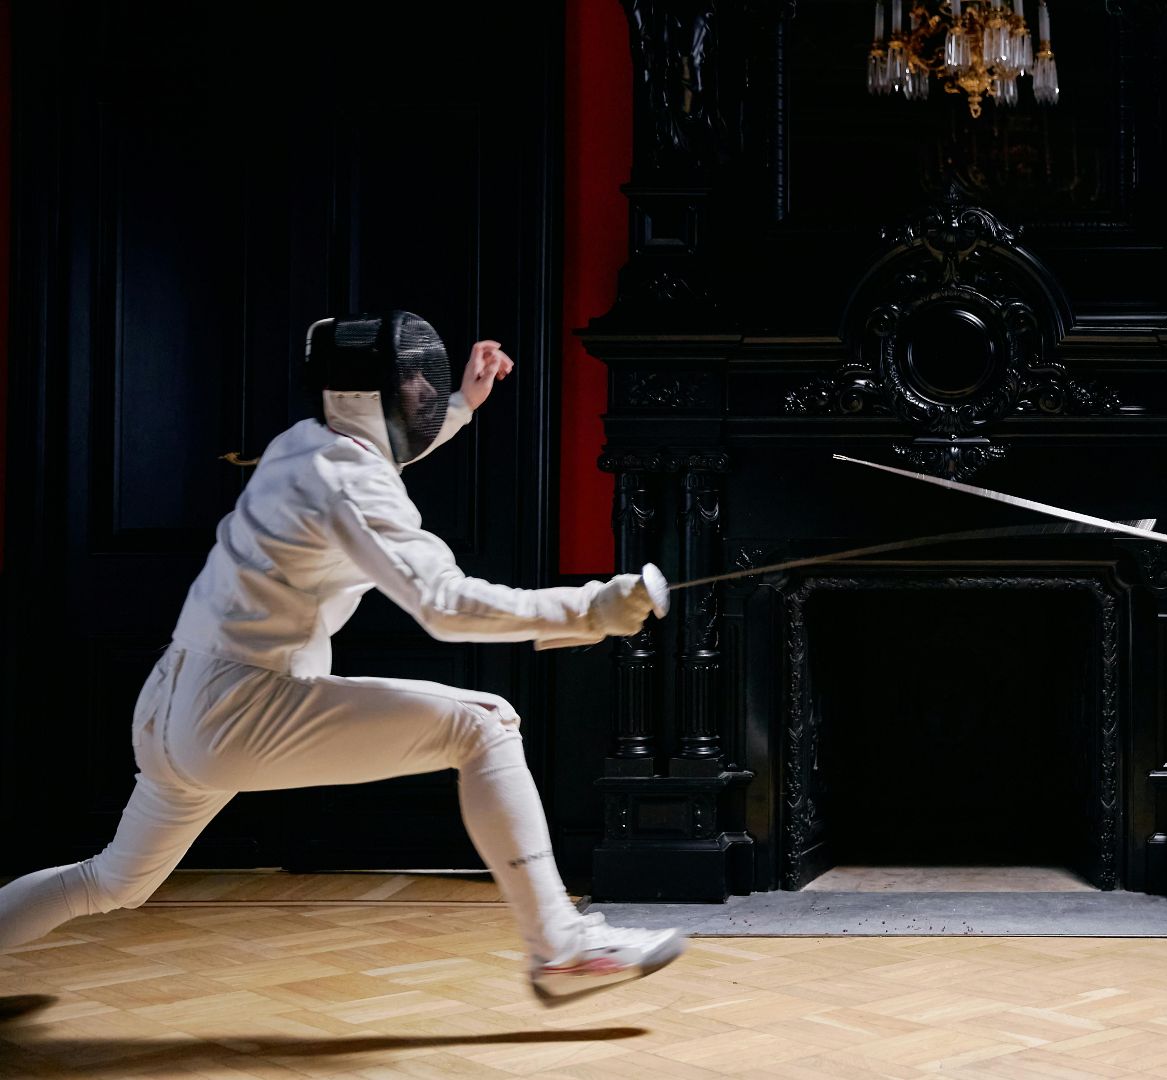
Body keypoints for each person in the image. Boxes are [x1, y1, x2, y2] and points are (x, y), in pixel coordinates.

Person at [0, 311, 685, 1006]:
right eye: (414, 379)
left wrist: (459, 408)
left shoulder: (302, 444)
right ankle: (561, 948)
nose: (423, 387)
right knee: (483, 725)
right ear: (375, 392)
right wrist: (591, 609)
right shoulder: (348, 480)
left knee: (111, 881)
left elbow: (369, 458)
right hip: (242, 709)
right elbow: (444, 604)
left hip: (173, 705)